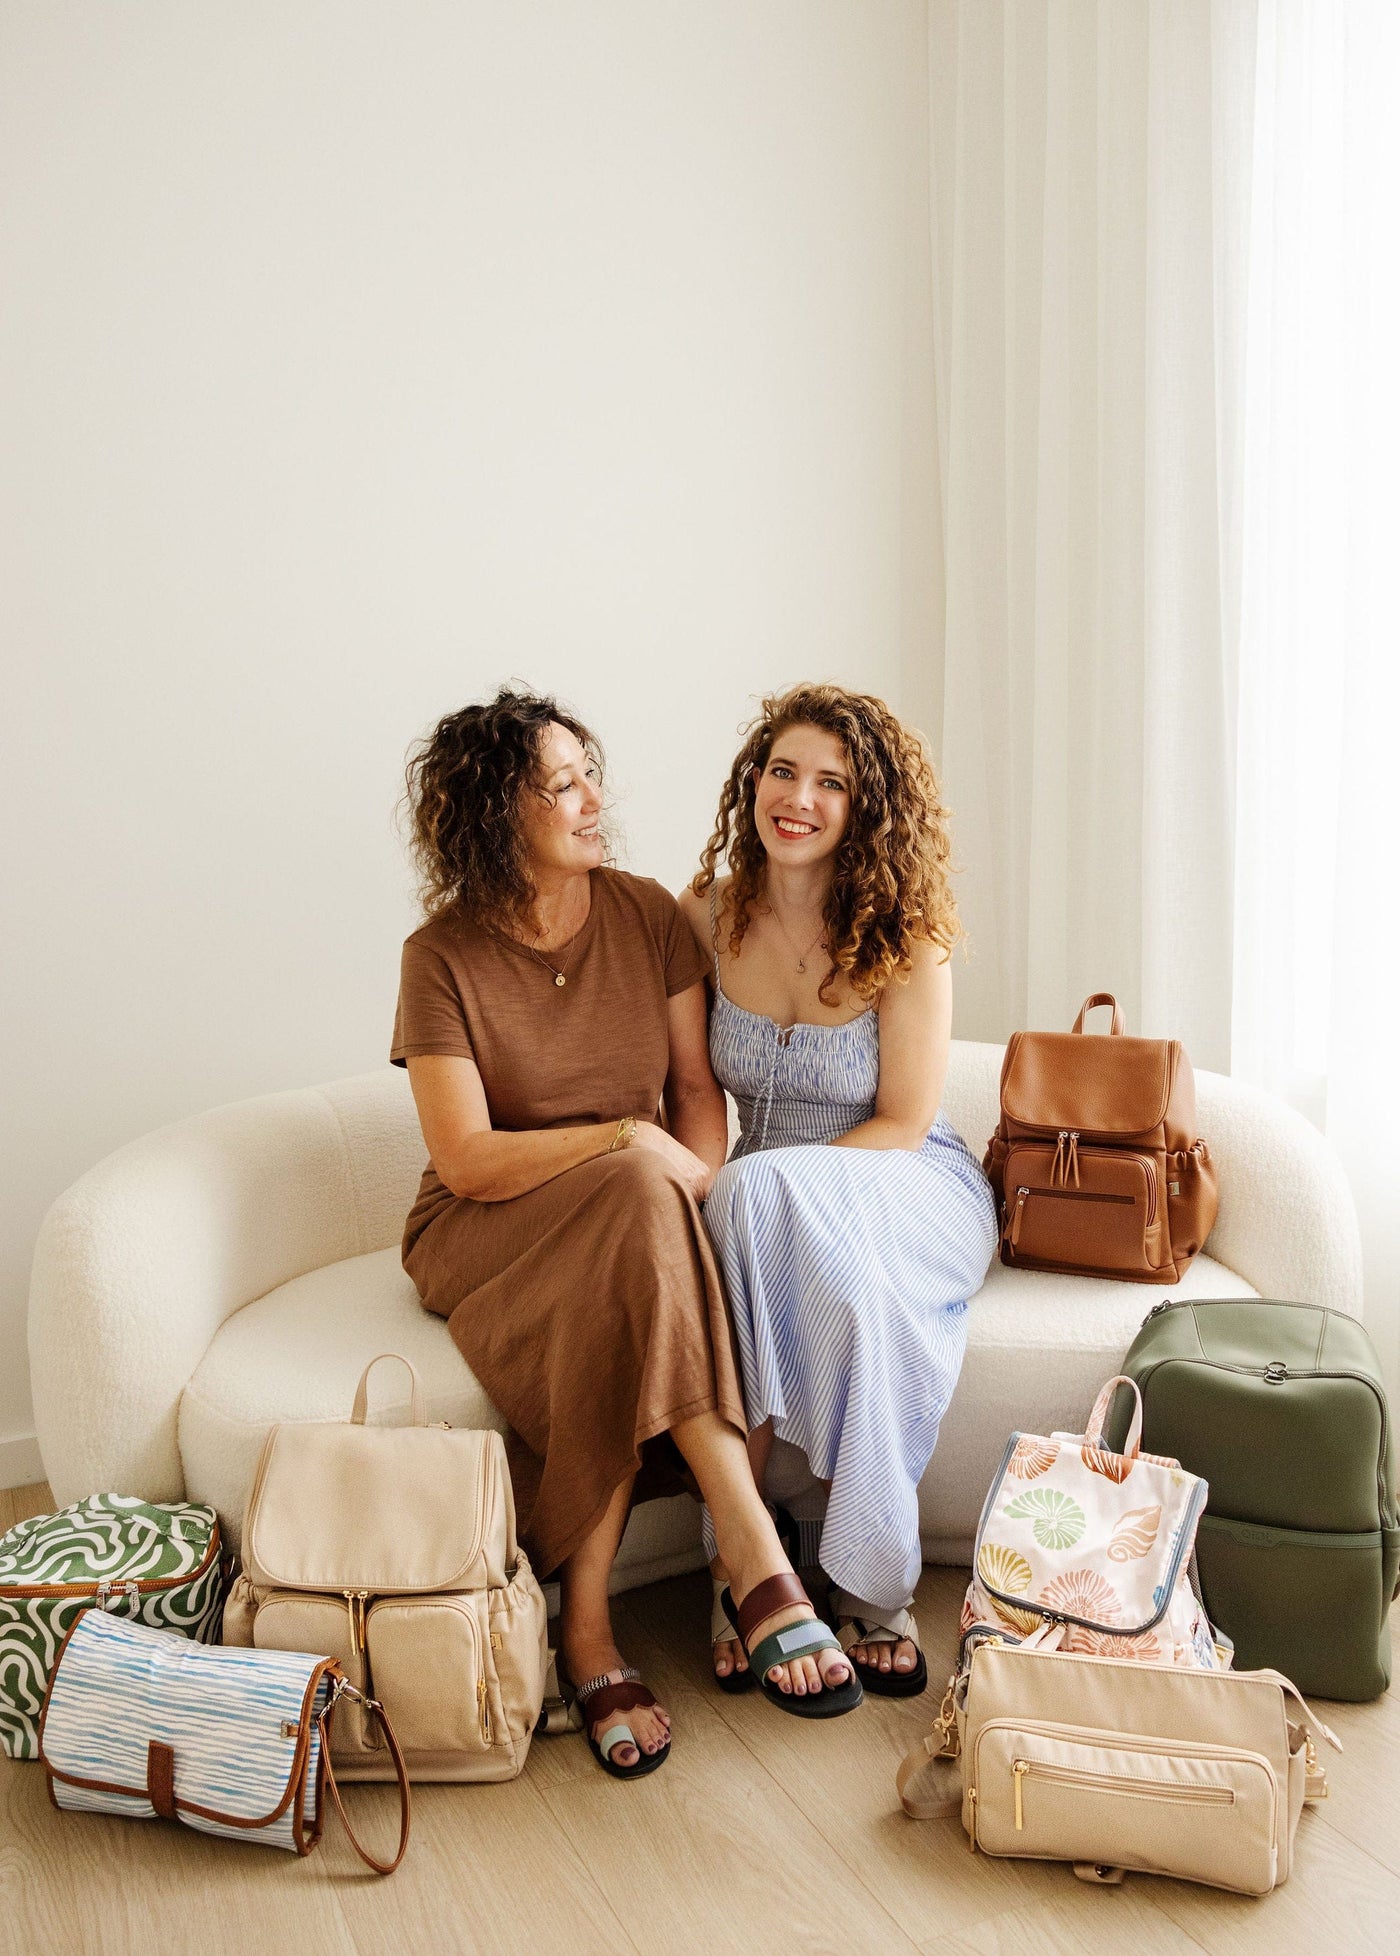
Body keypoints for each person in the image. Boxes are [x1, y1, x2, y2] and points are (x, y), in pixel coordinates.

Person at [391, 688, 860, 1779]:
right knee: (635, 1196)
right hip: (485, 1226)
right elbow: (466, 1159)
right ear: (493, 813)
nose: (594, 799)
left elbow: (695, 1096)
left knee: (634, 1239)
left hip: (631, 1220)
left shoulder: (646, 914)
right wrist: (622, 1142)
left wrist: (689, 1186)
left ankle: (588, 1629)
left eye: (588, 773)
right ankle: (748, 1542)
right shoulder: (439, 956)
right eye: (562, 785)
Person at [680, 683, 997, 1697]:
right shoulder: (703, 914)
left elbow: (903, 1118)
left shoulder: (907, 932)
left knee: (773, 1215)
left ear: (866, 809)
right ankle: (752, 1562)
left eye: (832, 783)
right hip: (759, 1197)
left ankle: (860, 1584)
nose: (799, 799)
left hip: (905, 1182)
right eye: (782, 771)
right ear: (752, 782)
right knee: (762, 1227)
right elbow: (691, 1092)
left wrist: (758, 1189)